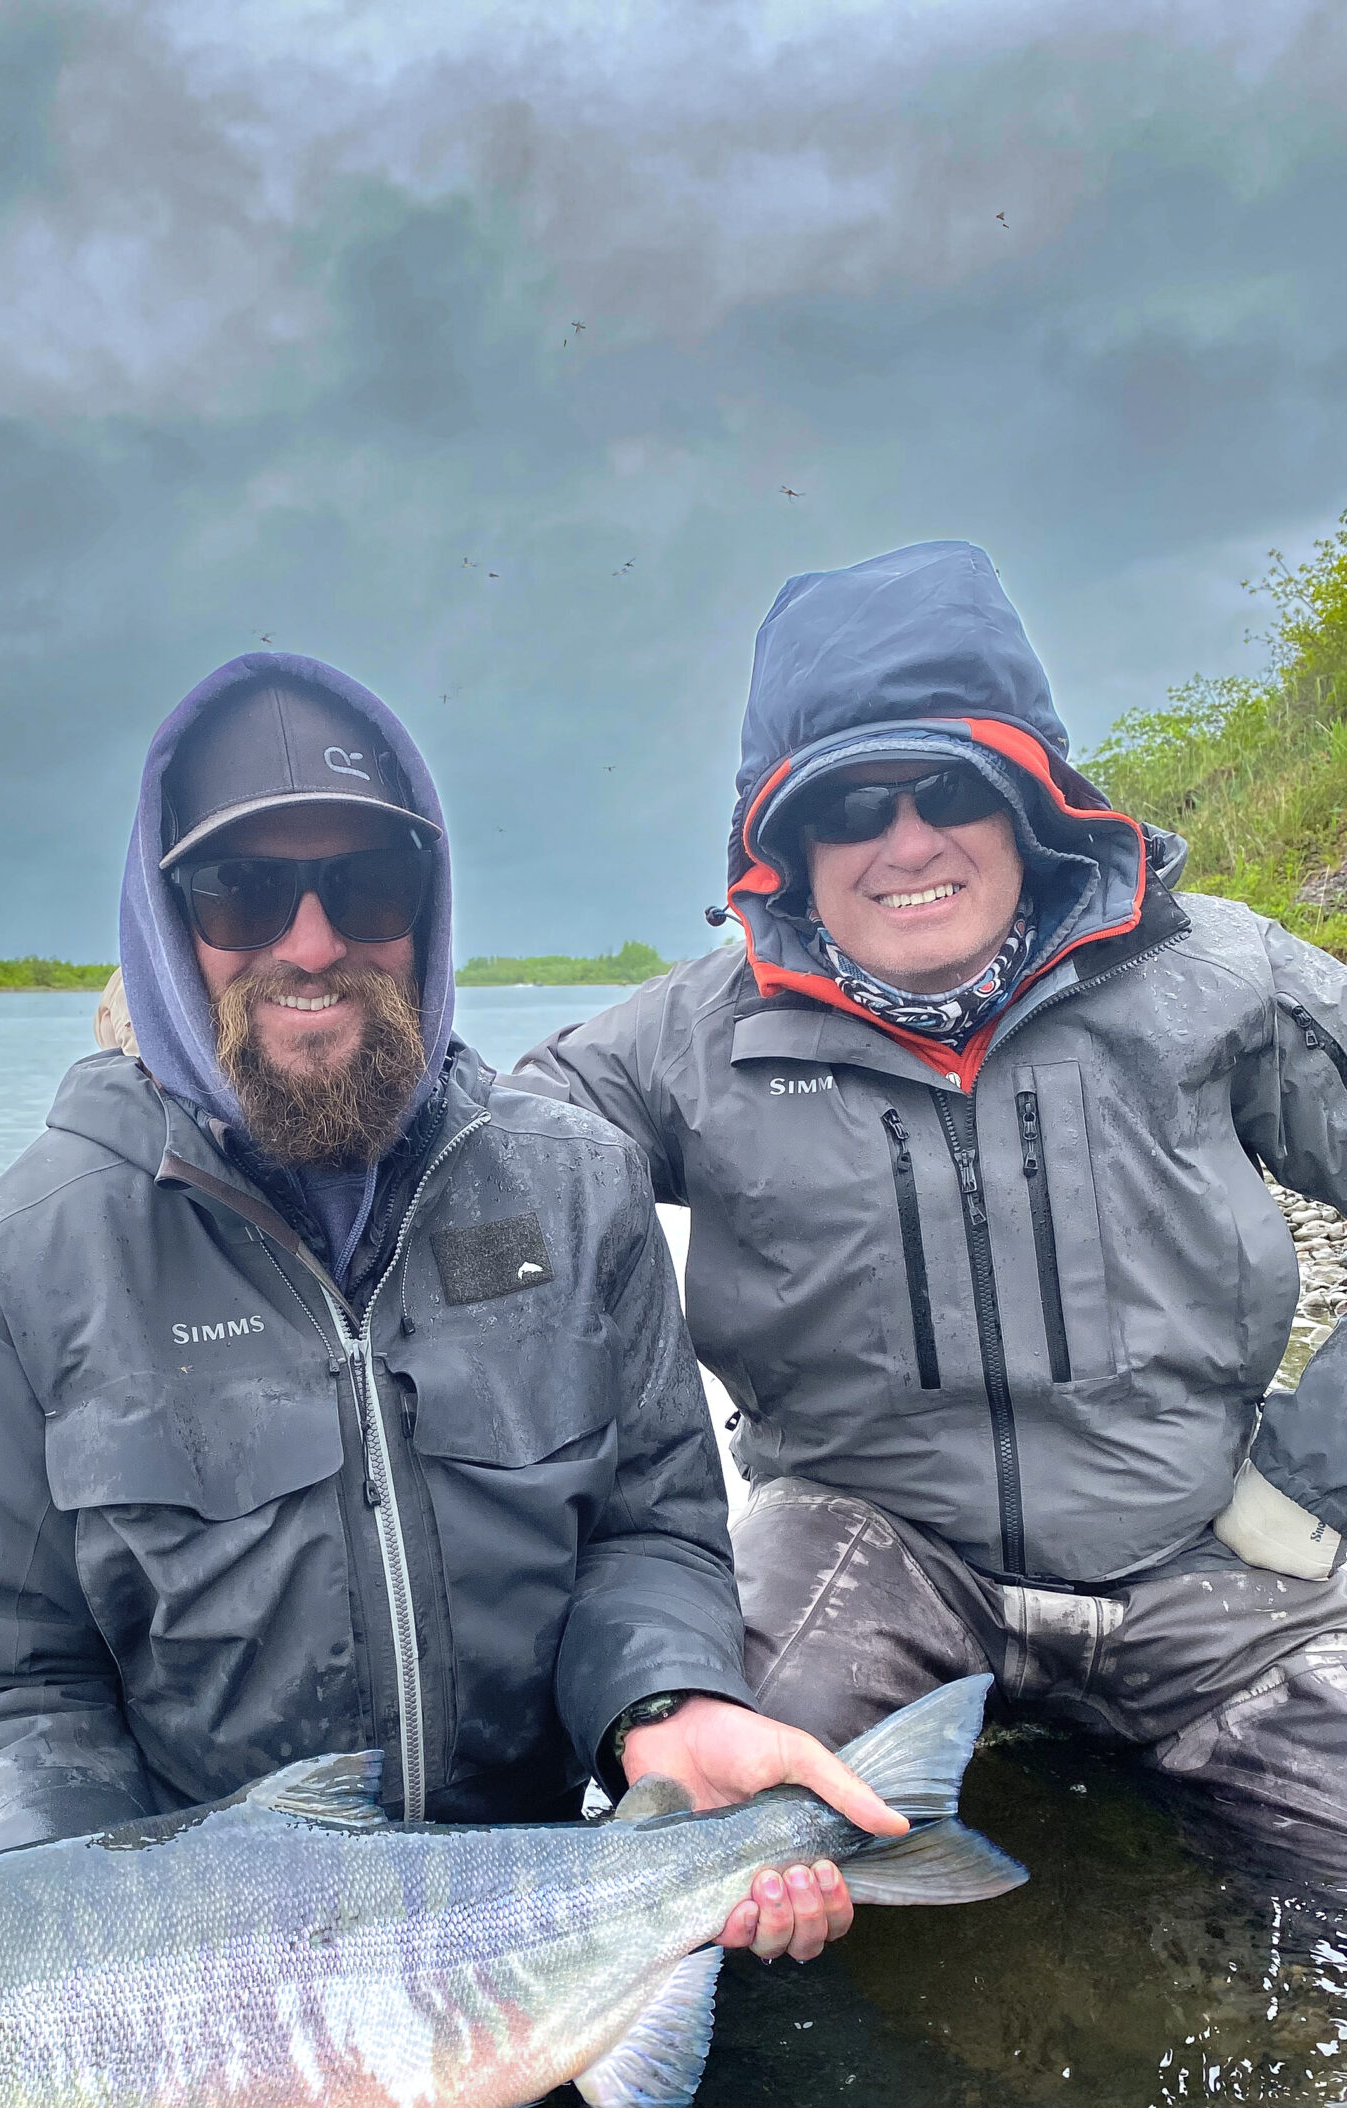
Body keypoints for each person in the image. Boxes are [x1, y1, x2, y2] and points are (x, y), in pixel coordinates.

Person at [0, 653, 899, 1968]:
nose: (311, 942)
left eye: (366, 885)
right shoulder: (15, 1268)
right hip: (209, 1978)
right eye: (243, 891)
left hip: (543, 1930)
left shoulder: (580, 1189)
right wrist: (60, 1965)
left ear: (427, 912)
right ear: (163, 919)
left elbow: (654, 1530)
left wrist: (668, 1701)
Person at [515, 539, 1347, 1872]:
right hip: (862, 1556)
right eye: (849, 806)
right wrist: (233, 1058)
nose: (906, 842)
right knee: (696, 1874)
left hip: (1210, 1546)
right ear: (783, 840)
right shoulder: (683, 1044)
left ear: (1032, 798)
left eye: (951, 784)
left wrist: (1319, 1468)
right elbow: (460, 1186)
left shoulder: (1225, 977)